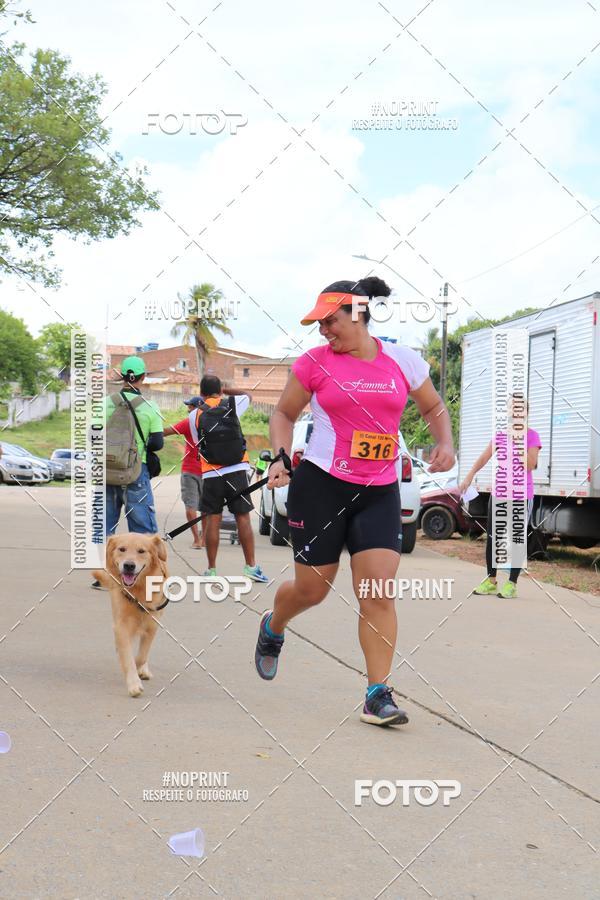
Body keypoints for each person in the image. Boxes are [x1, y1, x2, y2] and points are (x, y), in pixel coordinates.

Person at [254, 276, 455, 727]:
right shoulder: (313, 363)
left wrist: (446, 441)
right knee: (314, 589)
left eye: (330, 321)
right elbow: (284, 413)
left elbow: (434, 407)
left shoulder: (403, 361)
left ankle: (377, 694)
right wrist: (281, 456)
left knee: (377, 590)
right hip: (321, 486)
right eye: (319, 324)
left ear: (358, 314)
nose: (324, 331)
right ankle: (273, 624)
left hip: (379, 490)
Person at [92, 356, 164, 590]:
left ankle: (102, 575)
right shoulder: (149, 407)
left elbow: (93, 435)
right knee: (142, 526)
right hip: (136, 472)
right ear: (143, 377)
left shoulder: (104, 403)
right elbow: (156, 443)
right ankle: (144, 576)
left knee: (103, 524)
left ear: (122, 376)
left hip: (107, 472)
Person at [459, 397, 541, 598]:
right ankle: (491, 580)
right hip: (499, 494)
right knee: (493, 538)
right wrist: (469, 476)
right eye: (512, 409)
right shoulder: (500, 436)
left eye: (519, 410)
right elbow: (484, 457)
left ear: (526, 413)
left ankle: (511, 584)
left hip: (521, 495)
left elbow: (530, 464)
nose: (515, 413)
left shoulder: (532, 437)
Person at [189, 375, 269, 583]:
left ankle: (211, 570)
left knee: (213, 519)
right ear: (220, 390)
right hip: (236, 470)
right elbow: (248, 395)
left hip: (212, 474)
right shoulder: (234, 403)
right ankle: (251, 566)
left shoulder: (195, 414)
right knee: (242, 516)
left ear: (201, 392)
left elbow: (199, 443)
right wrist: (228, 391)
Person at [163, 397, 205, 550]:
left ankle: (197, 539)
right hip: (209, 471)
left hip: (190, 470)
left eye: (190, 407)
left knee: (190, 505)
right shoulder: (214, 423)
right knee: (207, 507)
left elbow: (166, 432)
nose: (188, 409)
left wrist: (149, 431)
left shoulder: (188, 422)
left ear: (195, 408)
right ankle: (204, 538)